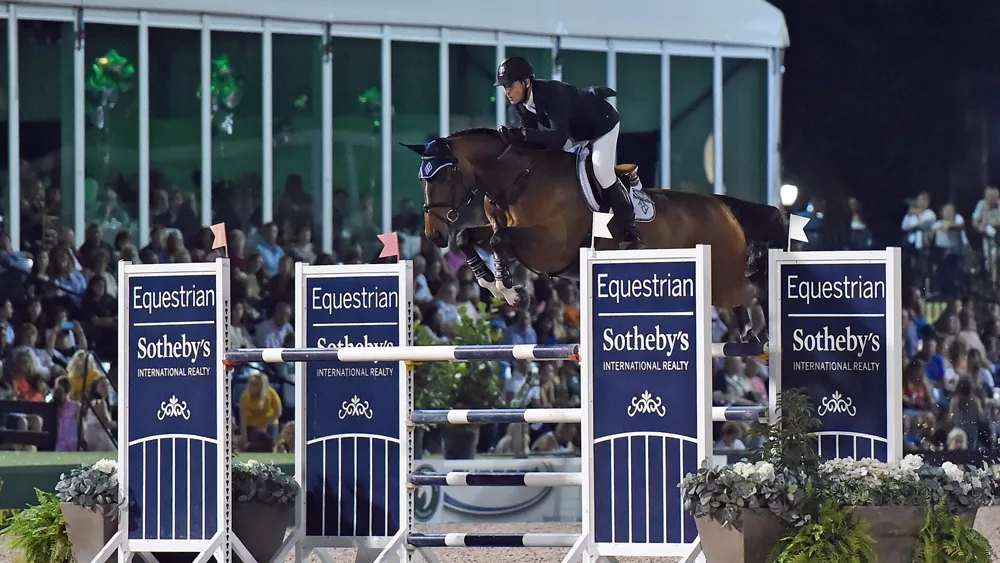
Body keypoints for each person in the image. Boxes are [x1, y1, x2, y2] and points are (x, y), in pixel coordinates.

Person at [494, 56, 643, 250]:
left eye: (510, 85)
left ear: (527, 81)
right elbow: (538, 141)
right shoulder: (520, 104)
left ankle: (630, 233)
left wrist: (522, 133)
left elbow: (557, 138)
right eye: (504, 87)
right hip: (575, 133)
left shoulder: (551, 93)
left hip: (601, 124)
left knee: (600, 171)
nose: (507, 92)